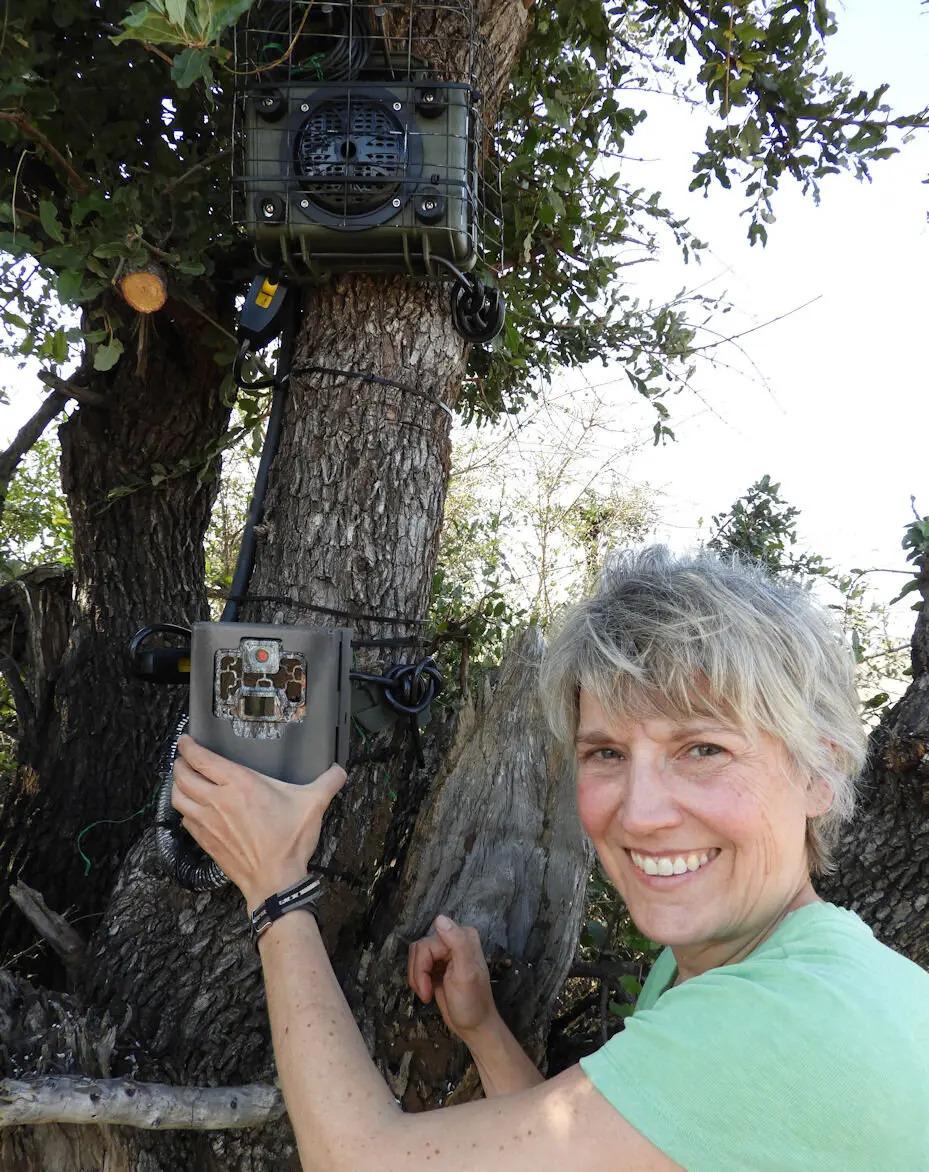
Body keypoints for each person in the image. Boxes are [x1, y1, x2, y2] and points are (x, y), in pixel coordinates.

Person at [172, 547, 929, 1171]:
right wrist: (482, 1031)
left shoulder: (782, 1023)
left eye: (702, 749)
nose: (638, 812)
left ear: (818, 773)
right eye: (605, 752)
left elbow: (360, 1161)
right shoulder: (751, 961)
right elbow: (607, 1144)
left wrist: (273, 887)